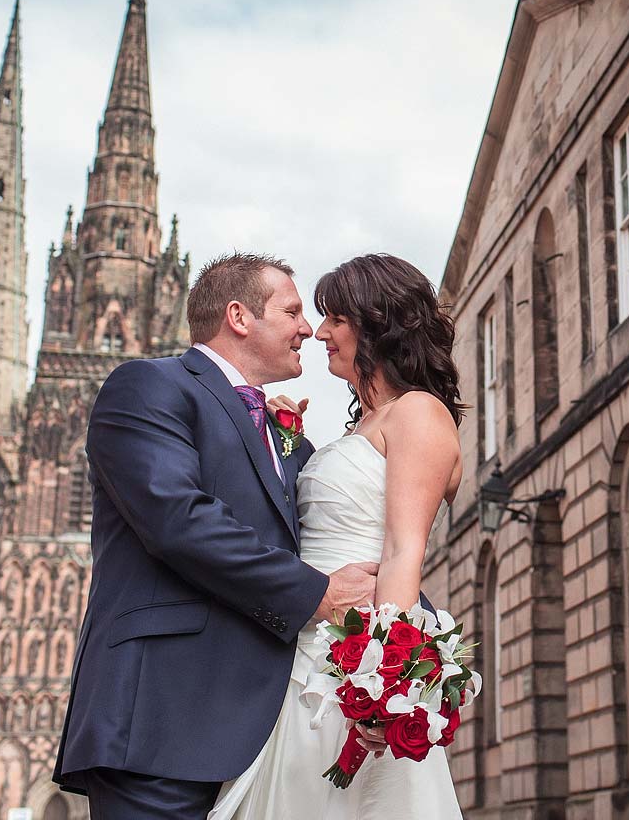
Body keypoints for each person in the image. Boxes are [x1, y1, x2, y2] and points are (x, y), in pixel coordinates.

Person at [54, 253, 380, 820]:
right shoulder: (148, 386)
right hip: (160, 719)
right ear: (238, 316)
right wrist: (318, 594)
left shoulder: (285, 435)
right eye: (293, 311)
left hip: (267, 734)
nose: (308, 328)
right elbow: (178, 519)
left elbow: (330, 532)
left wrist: (405, 650)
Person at [211, 252, 466, 820]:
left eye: (335, 319)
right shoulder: (361, 427)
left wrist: (382, 682)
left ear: (376, 322)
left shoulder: (419, 413)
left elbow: (403, 551)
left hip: (348, 665)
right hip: (299, 653)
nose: (319, 333)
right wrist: (286, 442)